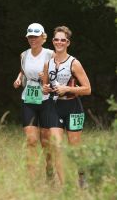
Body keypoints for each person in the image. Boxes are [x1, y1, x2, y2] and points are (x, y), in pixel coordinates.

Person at [43, 26, 91, 186]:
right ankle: (64, 186)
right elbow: (45, 86)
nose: (59, 42)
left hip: (73, 108)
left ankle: (82, 177)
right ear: (53, 41)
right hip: (54, 107)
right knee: (56, 146)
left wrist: (68, 89)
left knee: (74, 146)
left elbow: (88, 89)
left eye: (63, 40)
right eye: (56, 39)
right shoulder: (47, 63)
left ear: (68, 42)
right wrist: (46, 88)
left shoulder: (74, 63)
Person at [13, 23, 54, 180]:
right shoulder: (24, 54)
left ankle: (49, 170)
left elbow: (59, 70)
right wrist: (18, 78)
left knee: (45, 140)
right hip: (28, 98)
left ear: (43, 37)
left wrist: (46, 77)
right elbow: (23, 70)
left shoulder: (50, 54)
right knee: (31, 140)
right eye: (30, 36)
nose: (33, 39)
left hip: (46, 100)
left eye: (36, 36)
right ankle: (30, 179)